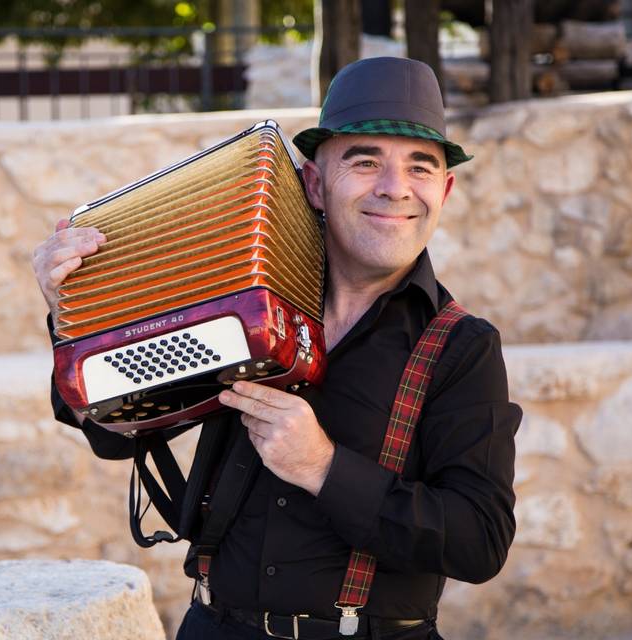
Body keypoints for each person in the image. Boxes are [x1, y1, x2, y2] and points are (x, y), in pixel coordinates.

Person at [32, 57, 521, 640]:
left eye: (420, 167)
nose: (395, 189)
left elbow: (479, 541)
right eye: (365, 161)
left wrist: (323, 468)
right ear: (316, 183)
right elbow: (115, 431)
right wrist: (73, 317)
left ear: (444, 190)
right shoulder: (241, 294)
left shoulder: (461, 346)